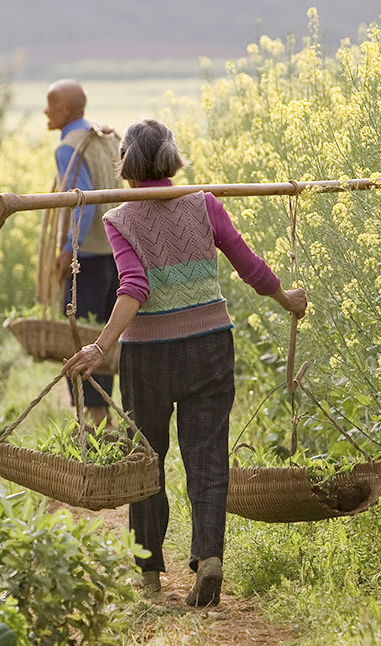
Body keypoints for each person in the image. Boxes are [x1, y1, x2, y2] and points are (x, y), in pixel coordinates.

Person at [62, 119, 307, 607]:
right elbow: (249, 265)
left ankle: (150, 571)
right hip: (210, 345)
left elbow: (135, 287)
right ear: (170, 159)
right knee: (206, 456)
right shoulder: (204, 204)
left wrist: (100, 346)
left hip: (148, 355)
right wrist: (287, 298)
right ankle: (209, 557)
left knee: (146, 459)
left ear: (127, 164)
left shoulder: (120, 219)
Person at [43, 79, 121, 425]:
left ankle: (95, 420)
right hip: (116, 253)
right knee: (104, 336)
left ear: (67, 110)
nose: (46, 111)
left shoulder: (69, 147)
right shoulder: (107, 138)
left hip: (86, 259)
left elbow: (83, 203)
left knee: (83, 336)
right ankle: (105, 416)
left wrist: (66, 250)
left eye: (51, 104)